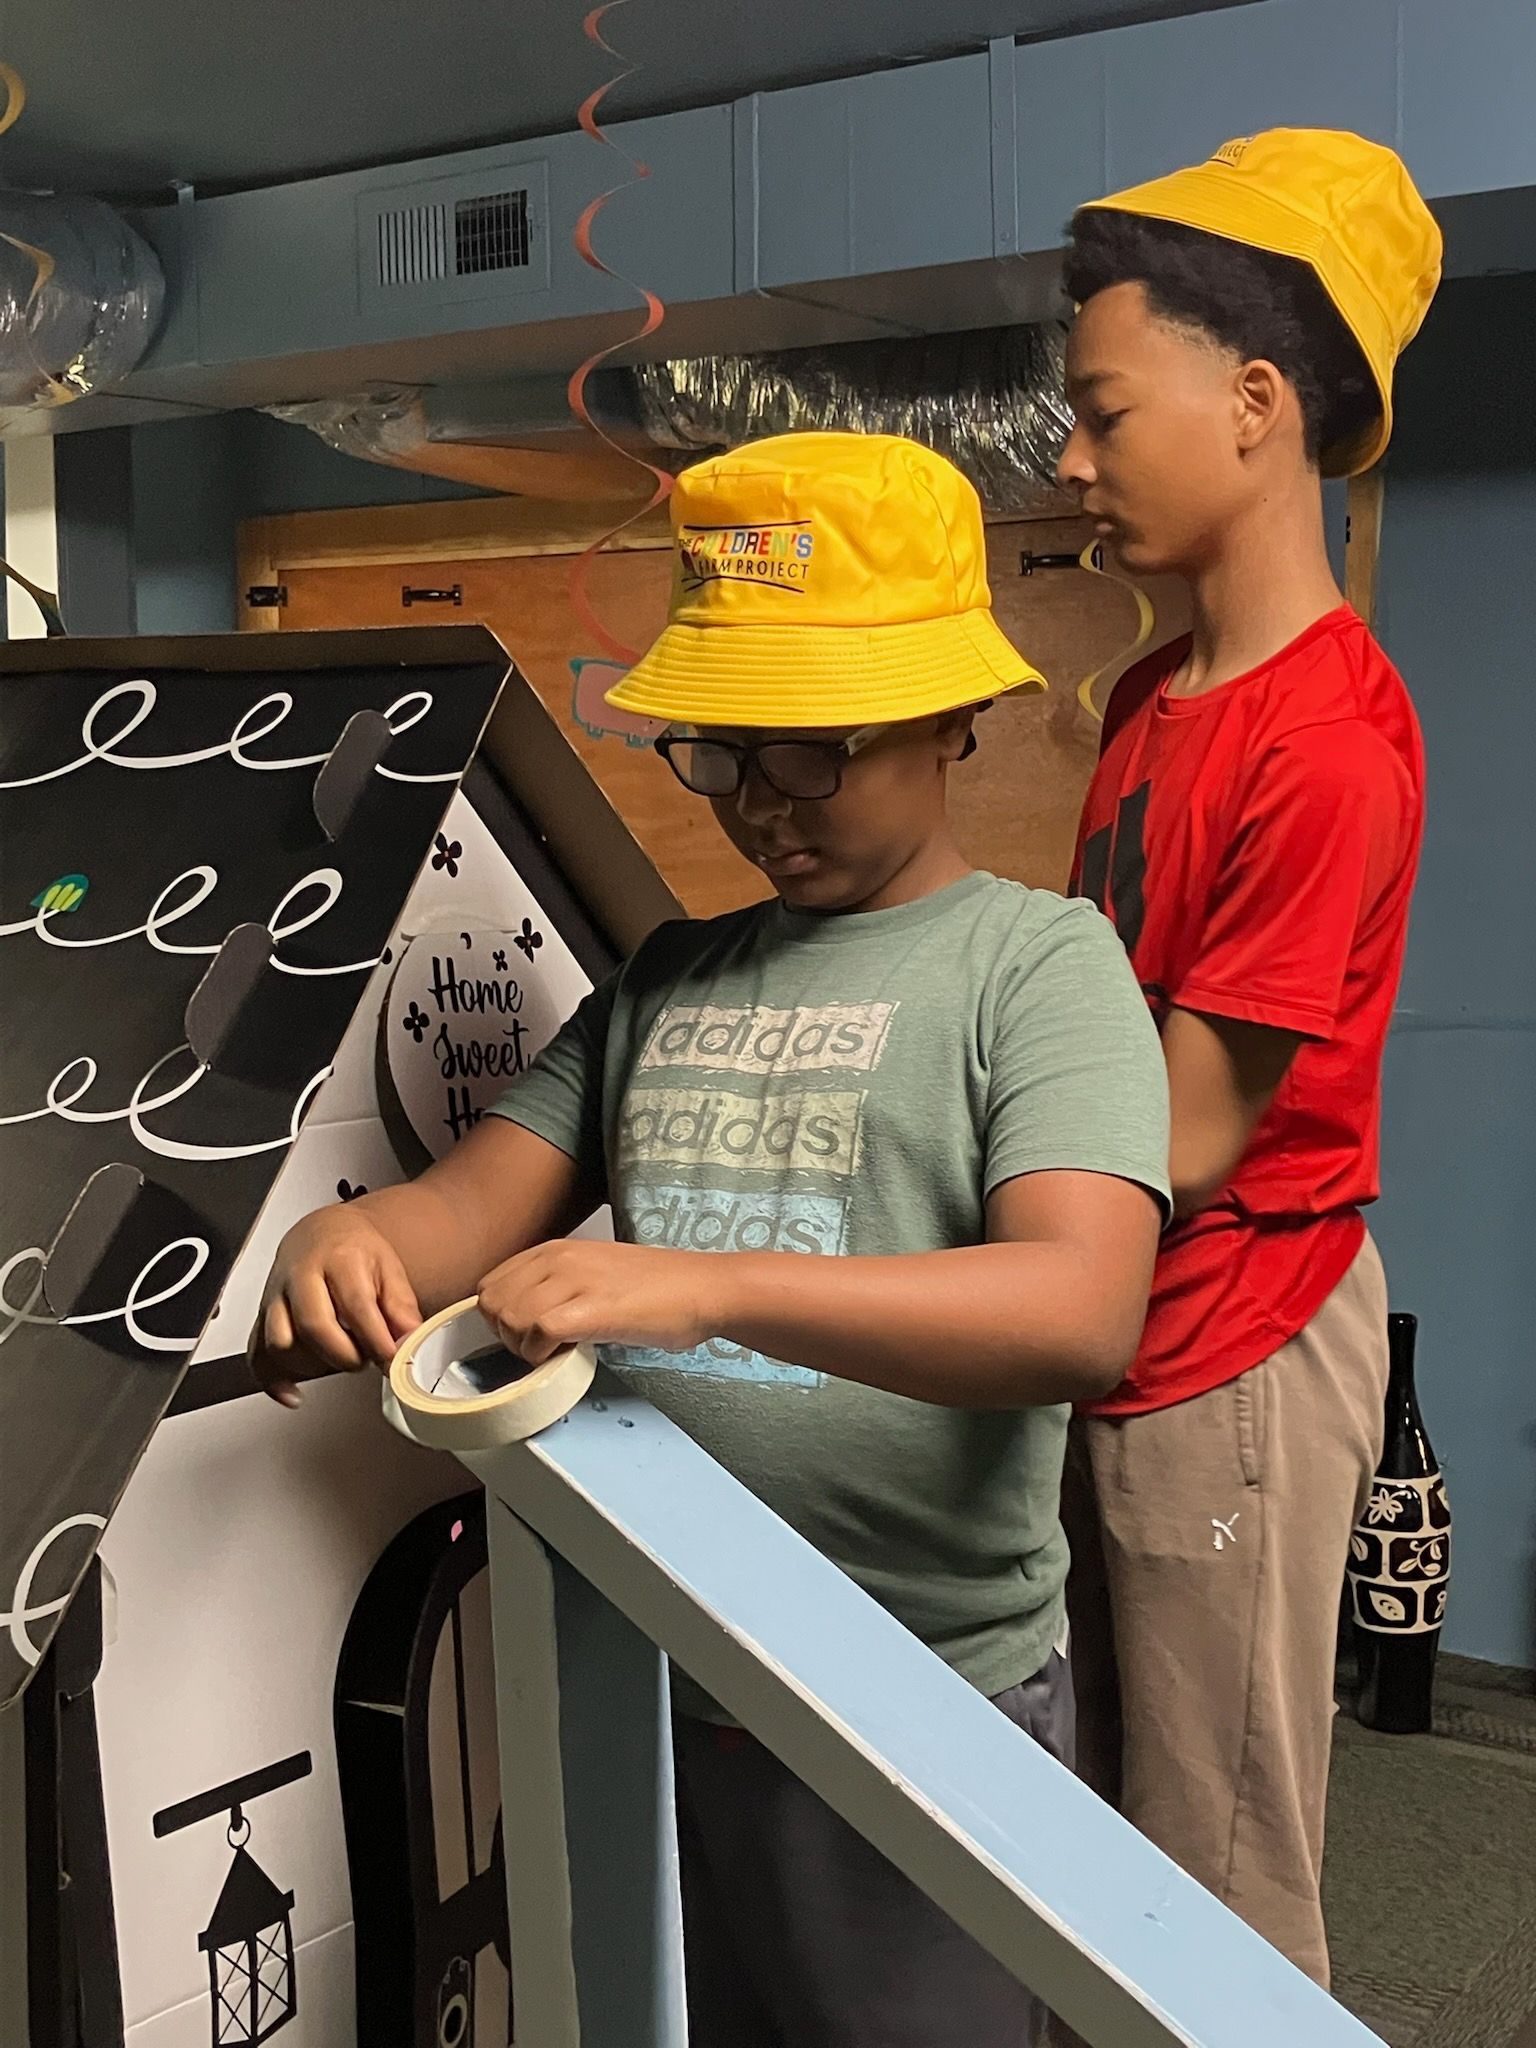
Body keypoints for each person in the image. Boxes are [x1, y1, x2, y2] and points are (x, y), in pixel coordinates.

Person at [250, 431, 1172, 2047]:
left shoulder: (1040, 968)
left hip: (915, 1693)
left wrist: (708, 1286)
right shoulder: (669, 979)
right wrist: (353, 1245)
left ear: (956, 717)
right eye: (722, 753)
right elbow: (468, 1206)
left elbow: (1080, 1307)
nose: (762, 802)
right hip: (648, 1672)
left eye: (816, 752)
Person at [1056, 130, 1441, 1984]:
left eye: (1103, 411)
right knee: (1081, 1839)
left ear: (1257, 402)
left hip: (1238, 1342)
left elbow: (1192, 1128)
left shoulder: (1328, 744)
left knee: (1211, 1887)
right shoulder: (1150, 700)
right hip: (1115, 1314)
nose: (1071, 458)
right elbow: (1087, 1022)